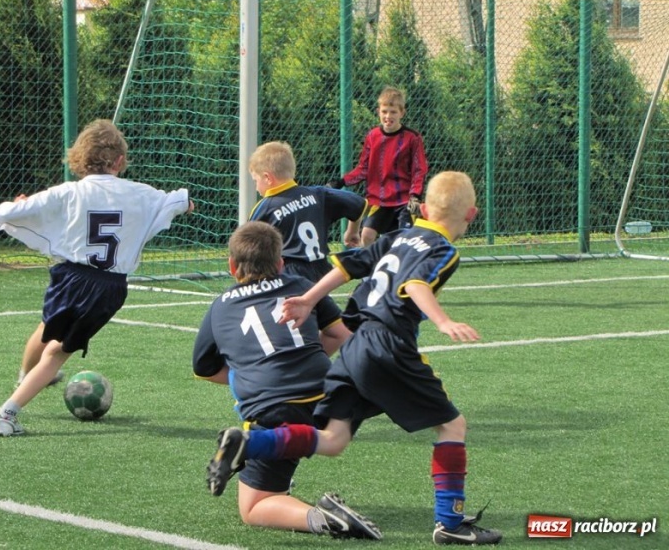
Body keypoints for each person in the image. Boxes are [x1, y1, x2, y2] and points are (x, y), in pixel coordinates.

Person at [206, 172, 503, 546]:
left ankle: (251, 444)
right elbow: (414, 285)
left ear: (423, 209)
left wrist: (309, 298)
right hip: (388, 344)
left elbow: (346, 266)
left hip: (355, 345)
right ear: (472, 215)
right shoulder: (443, 249)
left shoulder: (396, 237)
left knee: (333, 438)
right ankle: (450, 524)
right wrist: (443, 321)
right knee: (453, 426)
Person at [0, 119, 194, 437]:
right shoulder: (141, 194)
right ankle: (8, 411)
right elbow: (179, 201)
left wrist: (19, 207)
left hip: (67, 278)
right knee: (57, 352)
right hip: (107, 288)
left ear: (80, 159)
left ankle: (21, 387)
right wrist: (186, 206)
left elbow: (1, 215)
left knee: (48, 332)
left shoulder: (69, 192)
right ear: (121, 161)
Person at [193, 221, 381, 540]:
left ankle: (328, 520)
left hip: (273, 408)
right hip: (329, 394)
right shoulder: (300, 284)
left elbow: (204, 369)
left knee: (253, 507)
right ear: (280, 263)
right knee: (328, 435)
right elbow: (339, 335)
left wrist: (251, 373)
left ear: (231, 266)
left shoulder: (219, 307)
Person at [248, 141, 367, 282]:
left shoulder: (265, 208)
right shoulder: (318, 194)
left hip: (289, 275)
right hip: (321, 270)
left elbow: (248, 248)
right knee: (320, 303)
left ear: (267, 178)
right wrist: (352, 231)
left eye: (256, 180)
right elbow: (360, 204)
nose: (256, 187)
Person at [328, 86, 428, 247]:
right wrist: (340, 182)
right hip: (378, 200)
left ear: (402, 113)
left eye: (393, 112)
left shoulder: (412, 138)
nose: (388, 116)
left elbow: (419, 170)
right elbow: (363, 168)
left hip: (403, 201)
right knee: (367, 235)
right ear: (378, 112)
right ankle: (373, 270)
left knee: (403, 242)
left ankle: (401, 270)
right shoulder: (372, 136)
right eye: (385, 111)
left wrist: (415, 195)